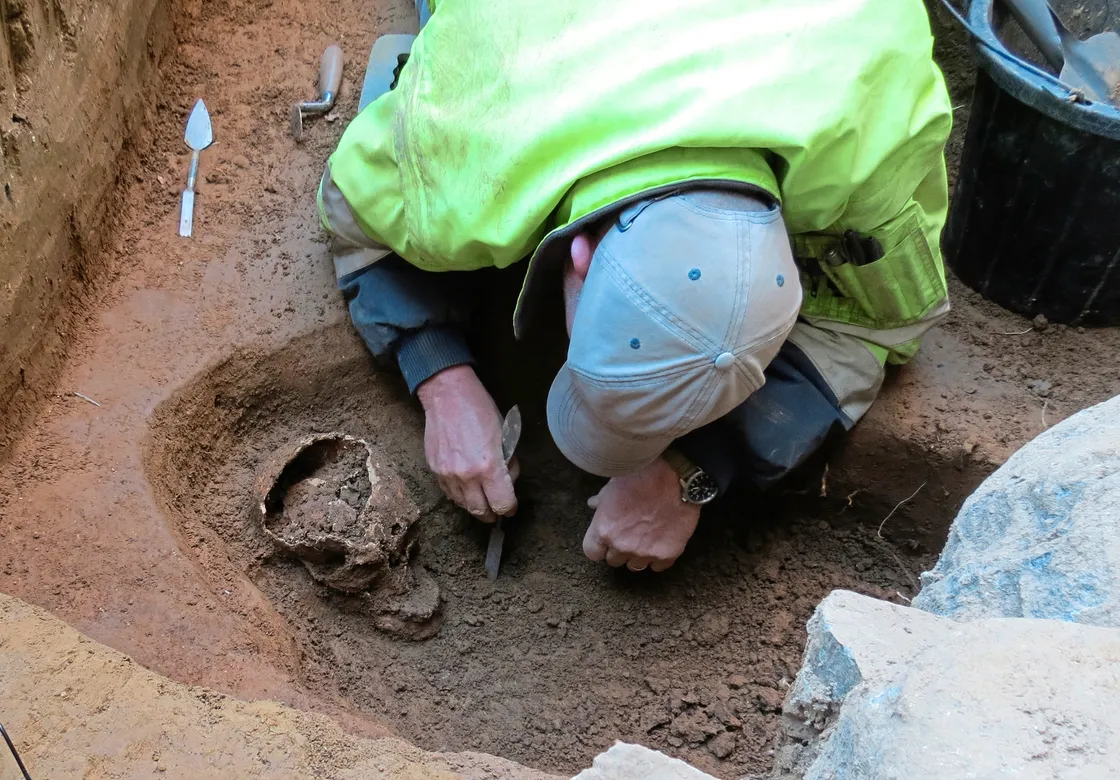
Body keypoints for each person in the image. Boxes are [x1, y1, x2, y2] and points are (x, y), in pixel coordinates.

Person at [317, 0, 953, 573]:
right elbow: (351, 213)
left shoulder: (876, 156)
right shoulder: (474, 134)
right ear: (583, 257)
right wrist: (441, 380)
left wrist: (692, 468)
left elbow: (880, 324)